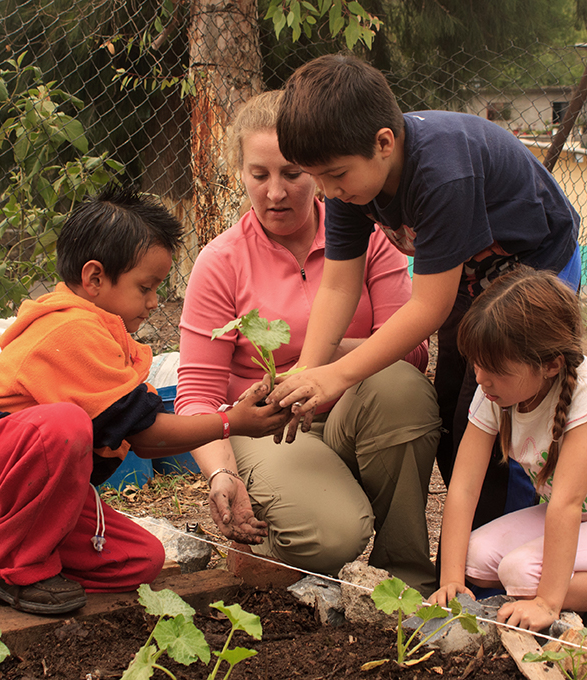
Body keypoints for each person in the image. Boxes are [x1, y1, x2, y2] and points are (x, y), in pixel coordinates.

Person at [0, 186, 291, 616]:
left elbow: (146, 434)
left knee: (141, 560)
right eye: (145, 287)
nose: (154, 302)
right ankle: (9, 569)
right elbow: (146, 433)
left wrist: (230, 416)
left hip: (19, 507)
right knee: (65, 424)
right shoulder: (70, 330)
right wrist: (232, 422)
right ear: (94, 279)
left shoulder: (107, 337)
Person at [269, 54, 582, 530]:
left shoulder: (442, 172)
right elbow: (338, 283)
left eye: (334, 175)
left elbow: (428, 307)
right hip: (470, 279)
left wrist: (338, 375)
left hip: (538, 271)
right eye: (318, 177)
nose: (327, 192)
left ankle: (515, 544)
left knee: (500, 413)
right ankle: (474, 544)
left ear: (384, 143)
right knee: (454, 414)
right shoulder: (349, 180)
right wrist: (310, 370)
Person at [176, 90, 442, 595]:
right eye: (259, 175)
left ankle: (403, 575)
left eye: (292, 173)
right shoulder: (221, 262)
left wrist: (322, 361)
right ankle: (283, 543)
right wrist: (220, 475)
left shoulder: (369, 236)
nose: (275, 192)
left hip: (357, 412)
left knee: (401, 387)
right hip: (269, 431)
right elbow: (196, 396)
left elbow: (410, 350)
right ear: (240, 173)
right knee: (333, 536)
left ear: (318, 173)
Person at [429, 267, 587, 646]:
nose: (480, 378)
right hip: (585, 520)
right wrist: (450, 578)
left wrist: (547, 602)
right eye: (476, 364)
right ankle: (580, 595)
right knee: (471, 557)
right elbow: (464, 487)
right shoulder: (495, 390)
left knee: (522, 573)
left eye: (494, 369)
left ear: (551, 364)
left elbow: (567, 503)